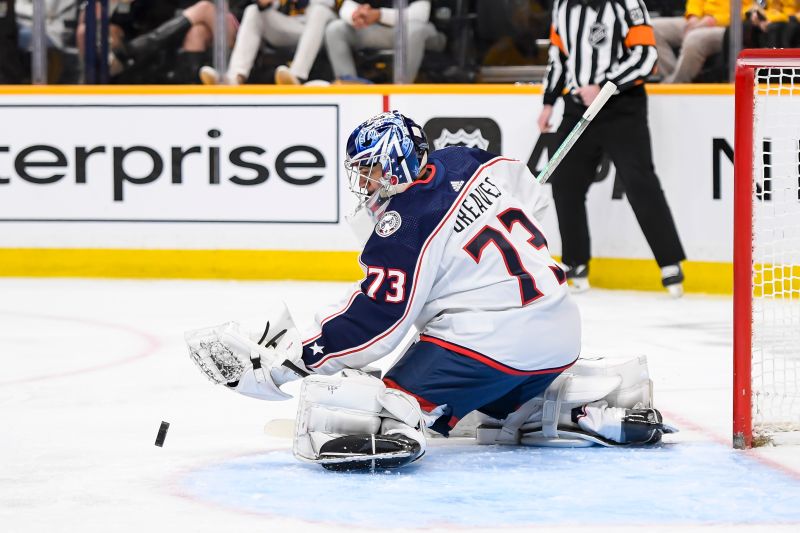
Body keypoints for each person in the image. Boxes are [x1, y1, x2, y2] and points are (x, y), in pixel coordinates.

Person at [185, 110, 674, 471]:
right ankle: (571, 409)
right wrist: (543, 263)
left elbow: (378, 323)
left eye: (371, 168)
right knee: (506, 403)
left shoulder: (406, 222)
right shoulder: (467, 159)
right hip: (559, 331)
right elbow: (531, 191)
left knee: (376, 400)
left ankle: (397, 426)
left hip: (489, 347)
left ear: (396, 164)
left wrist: (292, 362)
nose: (364, 180)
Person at [539, 0, 686, 295]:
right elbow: (559, 56)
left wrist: (605, 86)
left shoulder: (628, 3)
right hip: (578, 106)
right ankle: (575, 262)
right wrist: (548, 101)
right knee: (566, 182)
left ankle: (670, 264)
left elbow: (646, 57)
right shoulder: (562, 5)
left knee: (638, 180)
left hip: (621, 106)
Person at [78, 0, 238, 83]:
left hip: (223, 34)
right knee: (197, 30)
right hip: (134, 55)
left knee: (202, 19)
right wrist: (117, 4)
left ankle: (227, 76)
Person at [199, 0, 338, 86]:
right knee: (253, 11)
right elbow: (272, 5)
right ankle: (234, 78)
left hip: (327, 31)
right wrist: (263, 3)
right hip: (293, 28)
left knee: (319, 11)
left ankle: (296, 76)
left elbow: (330, 4)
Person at [324, 0, 439, 83]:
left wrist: (380, 15)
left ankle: (401, 91)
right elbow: (348, 5)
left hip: (422, 32)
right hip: (380, 31)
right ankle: (349, 85)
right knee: (336, 29)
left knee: (413, 30)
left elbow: (420, 14)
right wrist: (355, 16)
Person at [652, 0, 737, 83]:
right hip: (700, 18)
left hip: (732, 26)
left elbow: (747, 10)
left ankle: (674, 86)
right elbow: (695, 2)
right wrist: (693, 16)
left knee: (694, 37)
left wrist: (714, 20)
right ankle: (673, 80)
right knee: (651, 29)